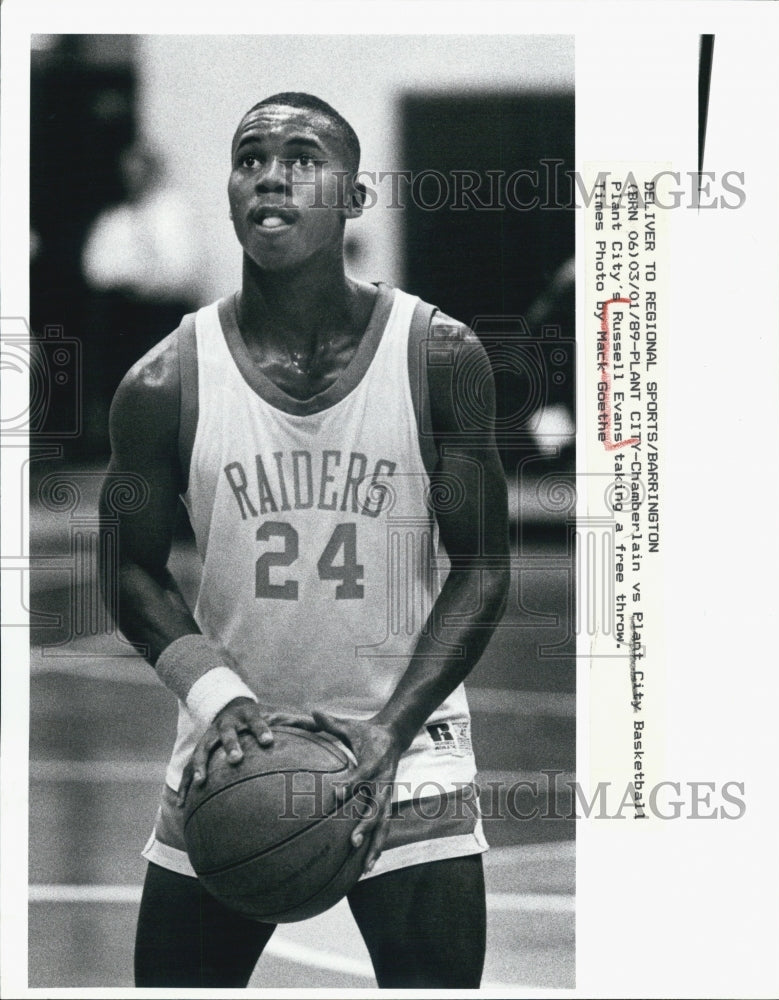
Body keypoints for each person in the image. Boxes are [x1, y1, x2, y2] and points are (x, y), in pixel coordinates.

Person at [99, 92, 510, 989]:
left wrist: (390, 731)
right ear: (231, 189)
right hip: (232, 746)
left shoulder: (439, 356)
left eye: (302, 156)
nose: (272, 174)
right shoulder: (162, 381)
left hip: (410, 744)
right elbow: (128, 568)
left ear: (354, 198)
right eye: (250, 158)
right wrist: (216, 698)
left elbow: (484, 566)